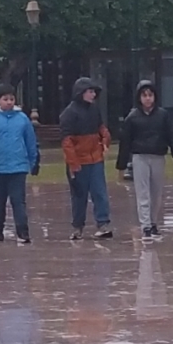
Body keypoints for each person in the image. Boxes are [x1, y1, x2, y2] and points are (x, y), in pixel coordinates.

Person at [115, 80, 173, 241]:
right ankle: (145, 226)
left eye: (150, 95)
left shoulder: (163, 115)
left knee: (156, 194)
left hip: (158, 157)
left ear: (155, 97)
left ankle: (153, 223)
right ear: (139, 98)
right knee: (143, 193)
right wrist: (121, 166)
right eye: (144, 95)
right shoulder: (132, 117)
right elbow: (125, 142)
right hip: (140, 158)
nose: (147, 99)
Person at [0, 85, 39, 244]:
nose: (9, 102)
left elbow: (30, 141)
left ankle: (23, 232)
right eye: (5, 99)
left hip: (18, 167)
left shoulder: (23, 119)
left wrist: (34, 160)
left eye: (12, 99)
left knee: (18, 200)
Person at [60, 77, 113, 240]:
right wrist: (73, 163)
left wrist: (106, 138)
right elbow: (67, 142)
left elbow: (101, 128)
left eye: (94, 92)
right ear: (80, 93)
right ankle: (78, 227)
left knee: (100, 193)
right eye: (90, 92)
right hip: (79, 162)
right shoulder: (69, 113)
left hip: (95, 159)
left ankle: (103, 224)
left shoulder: (94, 109)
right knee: (78, 196)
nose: (93, 95)